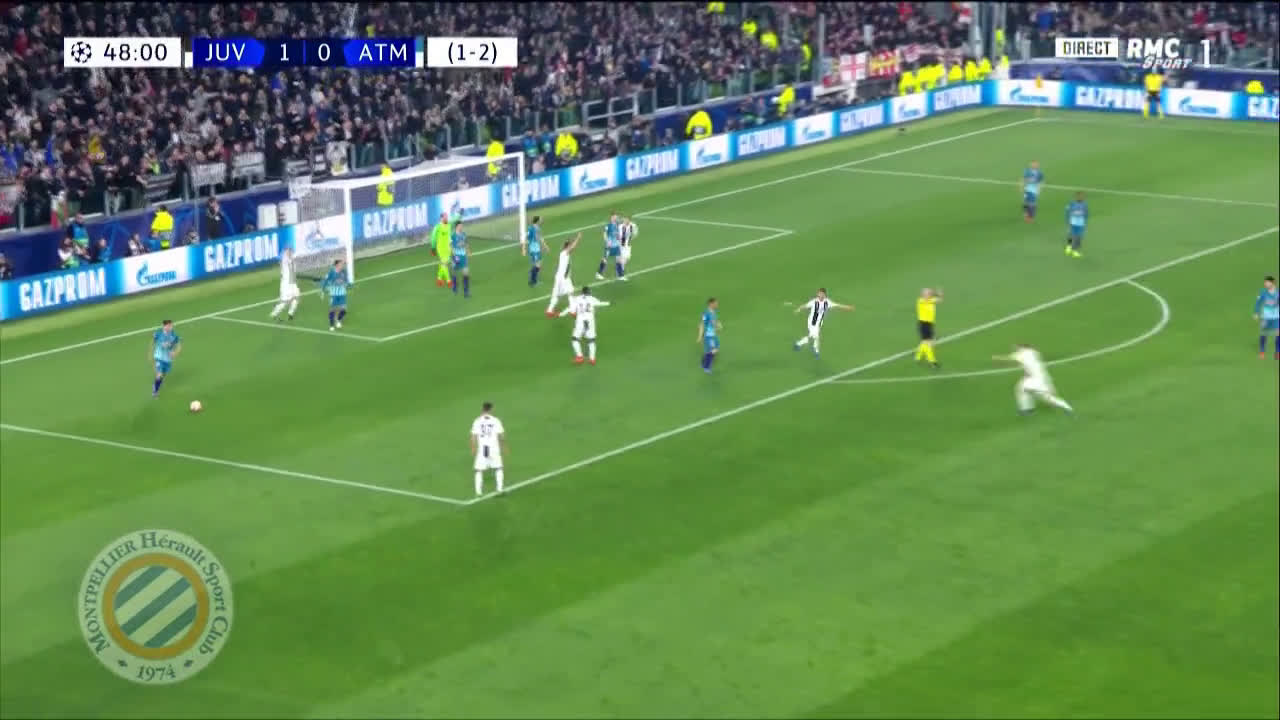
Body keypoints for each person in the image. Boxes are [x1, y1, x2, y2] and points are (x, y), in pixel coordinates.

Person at [993, 344, 1074, 415]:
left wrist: (996, 358)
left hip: (1036, 379)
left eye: (1018, 348)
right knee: (1026, 390)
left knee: (1027, 390)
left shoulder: (1022, 354)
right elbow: (1028, 364)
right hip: (1041, 378)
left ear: (1023, 348)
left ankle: (1027, 409)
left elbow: (1008, 358)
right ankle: (1027, 408)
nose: (1016, 349)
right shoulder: (1033, 352)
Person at [792, 288, 854, 357]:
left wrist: (847, 307)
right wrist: (798, 309)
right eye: (819, 293)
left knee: (814, 336)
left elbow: (837, 305)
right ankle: (809, 348)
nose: (820, 295)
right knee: (814, 336)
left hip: (819, 323)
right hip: (812, 322)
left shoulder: (827, 302)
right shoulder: (814, 301)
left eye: (821, 294)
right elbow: (805, 306)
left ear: (824, 295)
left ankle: (802, 345)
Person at [559, 285, 611, 365]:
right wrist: (609, 303)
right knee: (591, 340)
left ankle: (580, 357)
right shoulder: (592, 298)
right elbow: (600, 303)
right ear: (589, 292)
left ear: (582, 292)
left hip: (580, 321)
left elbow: (571, 309)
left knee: (575, 339)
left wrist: (561, 314)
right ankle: (592, 359)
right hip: (590, 321)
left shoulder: (577, 299)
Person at [470, 402, 506, 496]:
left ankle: (478, 492)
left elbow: (473, 437)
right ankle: (499, 489)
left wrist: (473, 448)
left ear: (483, 409)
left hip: (483, 449)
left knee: (478, 470)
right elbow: (501, 436)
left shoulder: (477, 421)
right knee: (498, 468)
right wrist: (503, 447)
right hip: (494, 447)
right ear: (491, 409)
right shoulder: (496, 420)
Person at [546, 233, 582, 317]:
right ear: (567, 246)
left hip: (559, 277)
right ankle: (573, 310)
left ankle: (549, 310)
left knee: (556, 294)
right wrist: (578, 238)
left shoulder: (562, 253)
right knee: (571, 292)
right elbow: (572, 247)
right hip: (564, 278)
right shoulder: (565, 253)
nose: (571, 246)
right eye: (569, 245)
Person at [151, 319, 181, 398]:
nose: (170, 327)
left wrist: (175, 353)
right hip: (159, 357)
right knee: (160, 374)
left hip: (167, 359)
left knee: (163, 374)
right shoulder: (158, 333)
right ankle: (155, 391)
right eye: (168, 326)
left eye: (171, 326)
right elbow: (153, 342)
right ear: (163, 326)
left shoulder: (174, 335)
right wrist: (151, 351)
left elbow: (179, 345)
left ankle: (158, 382)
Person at [269, 247, 300, 322]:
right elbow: (285, 259)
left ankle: (290, 314)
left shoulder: (292, 261)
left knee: (296, 298)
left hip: (293, 284)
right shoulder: (285, 260)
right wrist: (286, 254)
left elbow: (293, 272)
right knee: (284, 302)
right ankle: (274, 314)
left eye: (290, 251)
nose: (290, 253)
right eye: (288, 252)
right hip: (286, 285)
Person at [915, 287, 942, 368]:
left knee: (926, 342)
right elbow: (932, 299)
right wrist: (936, 293)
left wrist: (939, 294)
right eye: (927, 293)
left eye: (929, 294)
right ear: (923, 295)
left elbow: (940, 300)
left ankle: (918, 357)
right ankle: (932, 361)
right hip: (923, 324)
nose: (928, 295)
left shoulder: (931, 299)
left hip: (929, 324)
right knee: (929, 343)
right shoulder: (921, 301)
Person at [1254, 275, 1279, 359]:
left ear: (1273, 283)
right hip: (1266, 317)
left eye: (1267, 282)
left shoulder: (1278, 293)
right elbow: (1258, 302)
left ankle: (1277, 352)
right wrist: (1256, 312)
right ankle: (1262, 351)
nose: (1265, 284)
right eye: (1265, 282)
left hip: (1276, 317)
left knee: (1278, 333)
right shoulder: (1263, 292)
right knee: (1263, 333)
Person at [596, 211, 625, 281]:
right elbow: (604, 234)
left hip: (616, 246)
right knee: (605, 259)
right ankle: (599, 274)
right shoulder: (608, 226)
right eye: (614, 217)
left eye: (616, 217)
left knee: (619, 260)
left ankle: (620, 276)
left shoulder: (617, 225)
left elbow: (623, 222)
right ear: (611, 217)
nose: (615, 218)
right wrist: (607, 241)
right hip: (609, 246)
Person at [323, 259, 350, 331]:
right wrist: (323, 288)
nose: (342, 265)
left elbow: (346, 280)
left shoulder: (344, 272)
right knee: (333, 309)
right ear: (337, 265)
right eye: (341, 264)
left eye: (342, 264)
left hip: (342, 293)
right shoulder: (331, 272)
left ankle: (338, 320)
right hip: (334, 294)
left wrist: (347, 284)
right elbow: (326, 280)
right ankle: (331, 325)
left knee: (344, 309)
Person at [697, 297, 722, 374]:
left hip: (713, 335)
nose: (717, 304)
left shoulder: (713, 312)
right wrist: (700, 336)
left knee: (715, 349)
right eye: (715, 303)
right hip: (709, 336)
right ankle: (706, 367)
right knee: (713, 350)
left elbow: (714, 321)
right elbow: (702, 324)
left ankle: (703, 363)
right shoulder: (706, 313)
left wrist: (718, 324)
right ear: (711, 304)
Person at [450, 220, 471, 298]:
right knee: (454, 272)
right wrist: (454, 256)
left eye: (462, 226)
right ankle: (455, 286)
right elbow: (450, 246)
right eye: (460, 226)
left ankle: (466, 292)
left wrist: (468, 251)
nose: (461, 227)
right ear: (456, 227)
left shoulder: (464, 234)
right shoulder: (453, 236)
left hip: (463, 256)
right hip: (456, 256)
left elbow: (466, 243)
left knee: (466, 273)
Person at [430, 213, 452, 288]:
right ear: (441, 218)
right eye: (445, 217)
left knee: (443, 264)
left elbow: (449, 236)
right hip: (440, 248)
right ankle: (449, 281)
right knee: (444, 264)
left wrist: (450, 246)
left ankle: (439, 279)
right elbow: (433, 237)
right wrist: (433, 248)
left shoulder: (449, 226)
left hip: (447, 248)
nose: (446, 218)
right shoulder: (437, 227)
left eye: (447, 217)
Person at [1065, 191, 1088, 258]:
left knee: (1078, 237)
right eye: (1079, 196)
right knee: (1071, 235)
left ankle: (1075, 251)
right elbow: (1067, 211)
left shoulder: (1085, 204)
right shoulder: (1072, 203)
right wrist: (1068, 220)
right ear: (1076, 197)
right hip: (1073, 222)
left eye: (1082, 196)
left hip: (1080, 224)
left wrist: (1084, 220)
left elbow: (1086, 213)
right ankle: (1069, 247)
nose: (1081, 197)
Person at [523, 215, 545, 287]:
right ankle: (533, 281)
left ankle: (532, 273)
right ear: (537, 221)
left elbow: (537, 238)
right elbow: (535, 238)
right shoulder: (534, 229)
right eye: (541, 219)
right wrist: (524, 248)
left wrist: (543, 246)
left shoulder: (534, 228)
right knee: (537, 265)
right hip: (534, 249)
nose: (542, 221)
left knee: (539, 264)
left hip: (536, 248)